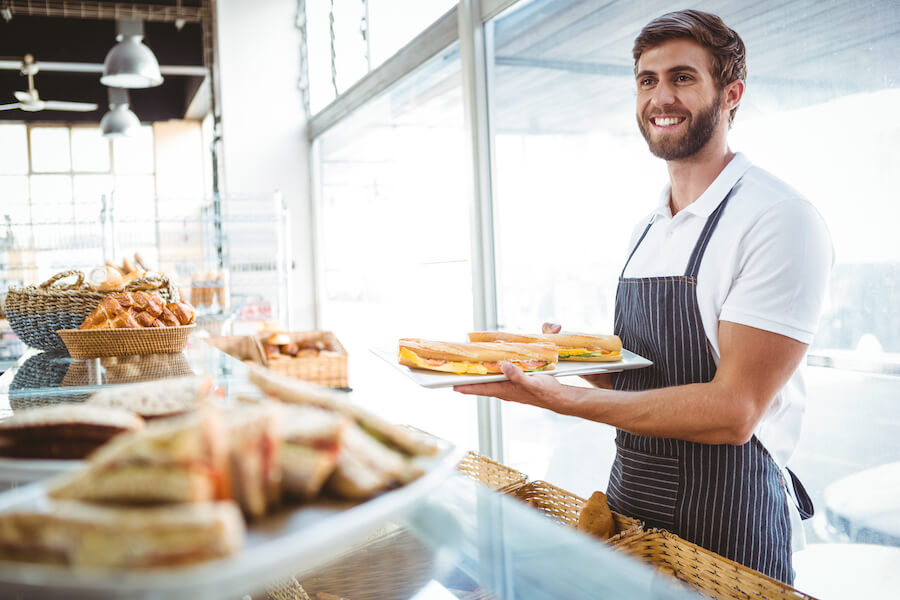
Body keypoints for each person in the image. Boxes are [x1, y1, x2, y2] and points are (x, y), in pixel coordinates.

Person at [454, 9, 833, 584]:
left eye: (682, 77)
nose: (660, 97)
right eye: (647, 80)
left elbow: (735, 411)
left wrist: (563, 401)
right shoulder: (649, 229)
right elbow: (645, 382)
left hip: (729, 522)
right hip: (632, 506)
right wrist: (573, 362)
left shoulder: (778, 218)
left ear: (731, 93)